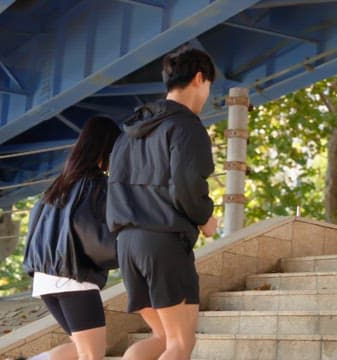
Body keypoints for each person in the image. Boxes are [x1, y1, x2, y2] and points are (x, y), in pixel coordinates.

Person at [106, 46, 218, 360]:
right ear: (199, 79)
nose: (207, 94)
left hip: (127, 245)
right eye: (209, 86)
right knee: (181, 345)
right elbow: (186, 186)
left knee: (162, 338)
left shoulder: (128, 134)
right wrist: (205, 217)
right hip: (163, 243)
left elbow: (113, 190)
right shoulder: (186, 126)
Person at [23, 116, 120, 360]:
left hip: (45, 280)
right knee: (91, 355)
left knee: (80, 350)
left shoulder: (61, 183)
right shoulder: (96, 184)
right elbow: (90, 231)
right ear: (108, 148)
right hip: (73, 276)